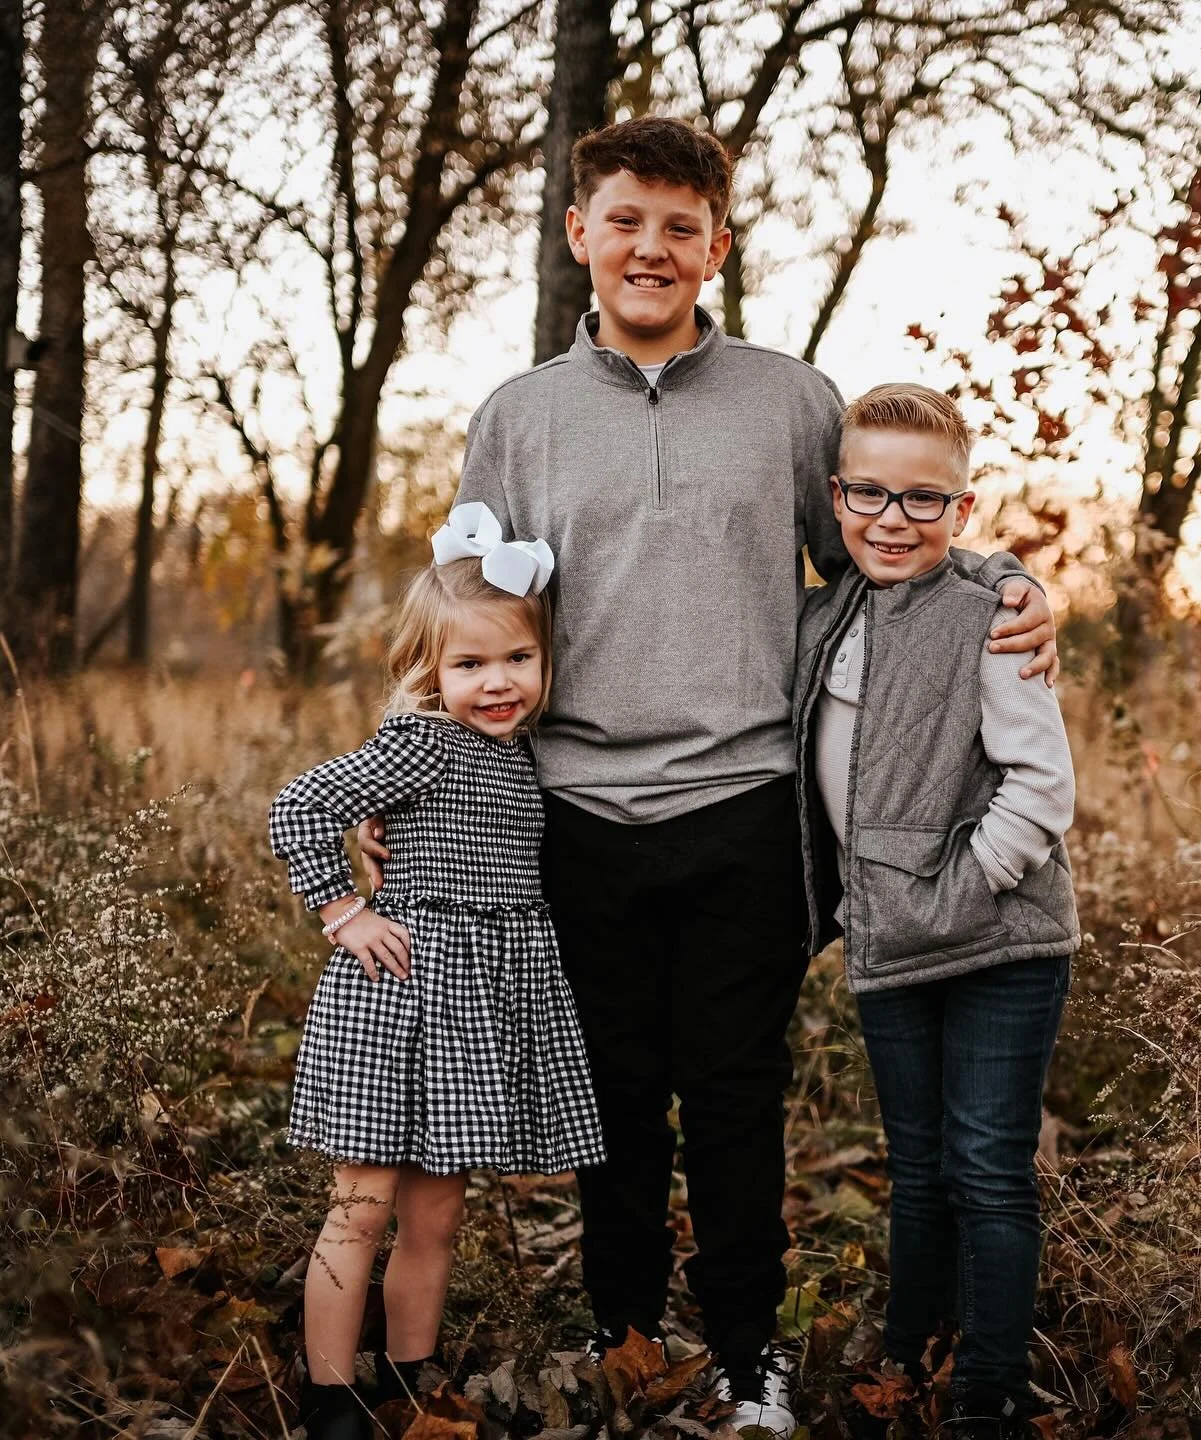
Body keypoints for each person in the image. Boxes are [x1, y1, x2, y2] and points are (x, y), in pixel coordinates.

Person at [361, 116, 1057, 1437]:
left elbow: (881, 557)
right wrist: (413, 786)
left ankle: (746, 1357)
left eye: (681, 227)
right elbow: (468, 624)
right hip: (571, 815)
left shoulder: (792, 401)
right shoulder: (519, 417)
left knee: (737, 1098)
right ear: (580, 236)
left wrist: (1015, 582)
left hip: (749, 809)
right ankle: (623, 1340)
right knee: (610, 1093)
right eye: (624, 221)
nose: (651, 248)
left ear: (717, 247)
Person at [269, 510, 604, 1440]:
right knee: (361, 1211)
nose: (496, 683)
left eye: (516, 662)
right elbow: (299, 805)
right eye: (468, 666)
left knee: (436, 1220)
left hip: (478, 1008)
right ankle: (331, 1395)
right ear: (429, 672)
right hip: (401, 994)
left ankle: (413, 1381)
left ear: (543, 663)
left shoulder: (525, 754)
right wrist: (345, 910)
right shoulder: (423, 741)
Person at [794, 384, 1079, 1439]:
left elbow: (1041, 785)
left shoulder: (989, 616)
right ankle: (908, 1357)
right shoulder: (825, 619)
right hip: (890, 942)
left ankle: (988, 1392)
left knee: (988, 1168)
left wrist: (960, 894)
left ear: (964, 511)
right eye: (868, 492)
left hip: (1000, 942)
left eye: (925, 500)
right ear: (836, 496)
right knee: (916, 1168)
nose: (892, 518)